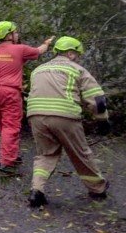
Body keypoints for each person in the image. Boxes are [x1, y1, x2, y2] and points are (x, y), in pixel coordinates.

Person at [26, 36, 110, 208]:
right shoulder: (76, 69)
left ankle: (37, 191)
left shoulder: (38, 69)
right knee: (81, 154)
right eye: (77, 54)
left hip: (36, 116)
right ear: (71, 54)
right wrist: (102, 120)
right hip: (64, 116)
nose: (78, 58)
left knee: (45, 154)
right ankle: (97, 189)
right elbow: (98, 100)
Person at [0, 21, 54, 175]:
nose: (17, 34)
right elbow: (39, 51)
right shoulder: (20, 49)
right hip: (9, 92)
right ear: (8, 35)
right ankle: (7, 162)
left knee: (3, 123)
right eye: (15, 32)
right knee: (11, 126)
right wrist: (46, 43)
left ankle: (10, 153)